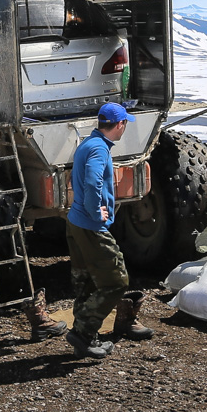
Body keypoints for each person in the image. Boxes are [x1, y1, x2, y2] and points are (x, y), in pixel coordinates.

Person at [64, 102, 154, 358]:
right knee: (116, 280)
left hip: (77, 222)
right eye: (125, 123)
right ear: (120, 125)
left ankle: (85, 335)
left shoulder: (88, 144)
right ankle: (82, 333)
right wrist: (95, 212)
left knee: (86, 281)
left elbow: (74, 179)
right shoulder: (98, 149)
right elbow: (92, 181)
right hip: (91, 225)